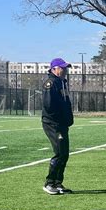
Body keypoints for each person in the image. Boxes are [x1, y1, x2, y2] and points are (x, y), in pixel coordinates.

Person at [41, 58, 74, 195]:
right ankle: (49, 182)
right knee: (60, 153)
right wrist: (59, 120)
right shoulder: (51, 83)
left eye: (66, 68)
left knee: (65, 154)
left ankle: (58, 182)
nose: (65, 70)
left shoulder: (61, 83)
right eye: (63, 68)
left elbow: (66, 103)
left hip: (61, 124)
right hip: (53, 124)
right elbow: (49, 106)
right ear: (54, 69)